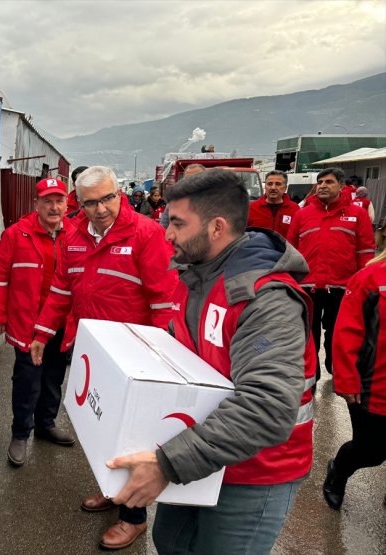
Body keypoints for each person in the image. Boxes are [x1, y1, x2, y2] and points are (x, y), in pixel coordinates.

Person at [107, 168, 316, 555]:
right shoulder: (195, 276)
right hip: (201, 451)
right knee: (170, 541)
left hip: (255, 472)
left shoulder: (265, 299)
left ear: (217, 227)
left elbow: (266, 407)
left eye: (178, 223)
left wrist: (167, 465)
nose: (166, 232)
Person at [30, 165, 178, 550]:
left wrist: (162, 355)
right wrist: (44, 333)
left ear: (120, 194)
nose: (101, 209)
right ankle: (113, 492)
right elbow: (62, 290)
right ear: (78, 203)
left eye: (108, 198)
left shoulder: (146, 234)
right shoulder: (72, 236)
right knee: (99, 427)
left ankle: (133, 516)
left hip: (135, 356)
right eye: (91, 202)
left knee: (131, 435)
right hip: (93, 352)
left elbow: (165, 301)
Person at [0, 177, 77, 467]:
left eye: (59, 200)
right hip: (28, 324)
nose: (54, 207)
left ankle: (46, 424)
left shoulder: (75, 234)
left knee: (54, 377)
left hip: (61, 323)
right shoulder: (16, 234)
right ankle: (20, 433)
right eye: (47, 201)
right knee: (27, 381)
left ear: (67, 203)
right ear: (35, 204)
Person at [288, 167, 376, 381]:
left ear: (341, 186)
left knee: (338, 333)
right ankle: (312, 377)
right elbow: (290, 249)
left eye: (329, 182)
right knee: (309, 335)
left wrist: (363, 285)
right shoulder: (302, 215)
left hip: (342, 287)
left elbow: (365, 251)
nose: (323, 186)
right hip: (307, 287)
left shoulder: (357, 215)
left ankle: (336, 370)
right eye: (320, 182)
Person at [323, 250, 386, 510]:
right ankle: (339, 469)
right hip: (374, 387)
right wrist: (347, 380)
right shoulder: (369, 278)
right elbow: (346, 333)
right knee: (371, 451)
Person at [247, 170, 300, 240]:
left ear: (285, 188)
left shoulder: (295, 209)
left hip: (286, 250)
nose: (273, 188)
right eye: (269, 184)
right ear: (265, 186)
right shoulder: (252, 208)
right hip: (259, 250)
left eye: (278, 184)